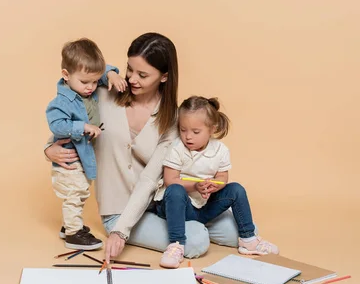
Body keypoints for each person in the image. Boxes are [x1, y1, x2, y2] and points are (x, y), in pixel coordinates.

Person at [44, 32, 250, 261]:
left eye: (142, 75)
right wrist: (48, 149)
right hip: (119, 211)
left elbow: (150, 178)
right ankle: (189, 226)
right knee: (196, 240)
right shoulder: (101, 94)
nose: (132, 79)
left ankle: (189, 219)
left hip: (161, 203)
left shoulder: (173, 120)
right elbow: (68, 122)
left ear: (163, 77)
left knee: (240, 233)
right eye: (129, 69)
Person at [153, 96, 279, 268]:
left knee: (236, 189)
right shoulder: (177, 148)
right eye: (183, 130)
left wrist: (214, 186)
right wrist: (195, 186)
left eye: (196, 132)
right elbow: (170, 180)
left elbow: (222, 178)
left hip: (203, 205)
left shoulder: (220, 150)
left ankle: (248, 240)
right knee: (175, 190)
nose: (188, 136)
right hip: (179, 208)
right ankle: (176, 245)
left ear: (212, 129)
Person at [46, 38, 127, 250]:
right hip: (69, 157)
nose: (91, 87)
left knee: (80, 192)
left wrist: (111, 73)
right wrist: (81, 127)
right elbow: (57, 126)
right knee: (76, 192)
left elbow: (99, 72)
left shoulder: (85, 83)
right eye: (85, 82)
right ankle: (73, 234)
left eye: (94, 81)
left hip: (83, 156)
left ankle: (69, 225)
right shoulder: (61, 102)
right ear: (66, 75)